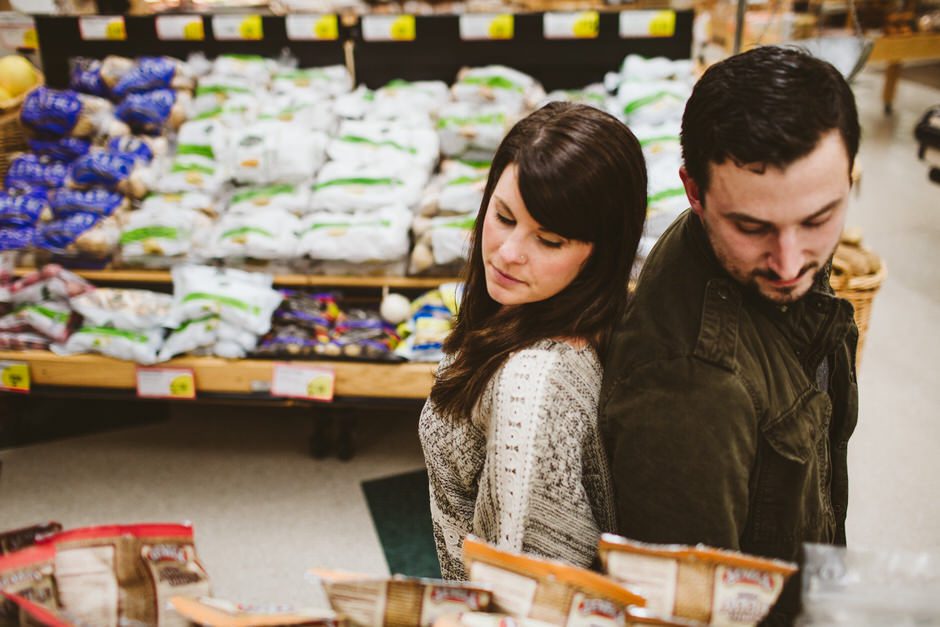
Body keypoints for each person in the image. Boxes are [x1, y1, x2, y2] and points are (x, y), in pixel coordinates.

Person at [600, 46, 860, 623]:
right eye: (752, 227)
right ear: (694, 192)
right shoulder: (692, 392)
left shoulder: (743, 243)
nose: (789, 262)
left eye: (818, 220)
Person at [419, 101, 648, 580]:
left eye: (548, 241)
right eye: (504, 217)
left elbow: (529, 585)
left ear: (602, 253)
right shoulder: (537, 314)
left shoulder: (531, 386)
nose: (508, 253)